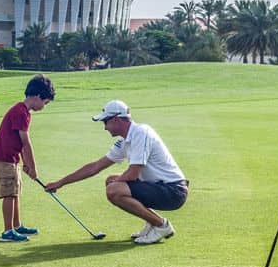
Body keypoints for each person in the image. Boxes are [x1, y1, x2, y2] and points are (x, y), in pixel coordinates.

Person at [45, 100, 188, 245]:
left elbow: (133, 173)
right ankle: (152, 222)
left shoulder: (141, 133)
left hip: (174, 191)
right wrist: (60, 182)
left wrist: (117, 183)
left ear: (116, 119)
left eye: (105, 122)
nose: (105, 128)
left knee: (114, 189)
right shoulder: (125, 141)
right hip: (159, 187)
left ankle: (161, 225)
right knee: (111, 180)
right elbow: (95, 167)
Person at [0, 73, 56, 242]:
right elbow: (25, 142)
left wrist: (25, 163)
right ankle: (7, 231)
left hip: (12, 158)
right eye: (45, 102)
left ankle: (17, 225)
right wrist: (32, 167)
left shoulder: (24, 112)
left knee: (16, 191)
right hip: (5, 158)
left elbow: (19, 143)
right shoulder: (20, 112)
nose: (44, 106)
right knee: (9, 193)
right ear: (38, 96)